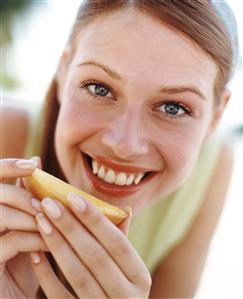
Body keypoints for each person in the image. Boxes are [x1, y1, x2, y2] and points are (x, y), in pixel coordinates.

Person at [0, 1, 239, 298]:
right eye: (100, 89)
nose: (124, 145)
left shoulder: (212, 169)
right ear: (63, 72)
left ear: (215, 119)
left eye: (173, 108)